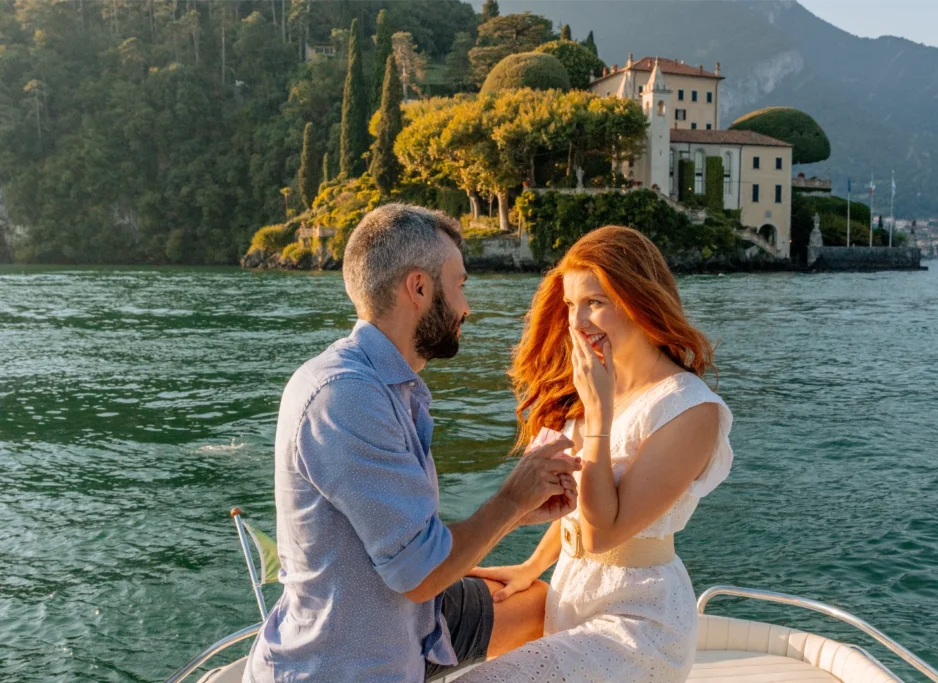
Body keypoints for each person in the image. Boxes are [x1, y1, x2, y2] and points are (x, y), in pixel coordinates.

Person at [243, 204, 580, 683]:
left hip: (407, 622)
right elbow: (419, 575)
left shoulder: (387, 385)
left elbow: (415, 545)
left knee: (536, 604)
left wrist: (524, 510)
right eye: (459, 284)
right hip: (347, 664)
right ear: (419, 288)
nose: (466, 307)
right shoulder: (346, 396)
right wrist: (510, 498)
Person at [460, 226, 735, 681]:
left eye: (595, 302)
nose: (577, 321)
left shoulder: (689, 409)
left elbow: (604, 533)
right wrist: (531, 567)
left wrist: (600, 415)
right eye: (571, 305)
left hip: (642, 621)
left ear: (639, 299)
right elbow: (576, 511)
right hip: (571, 597)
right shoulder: (596, 387)